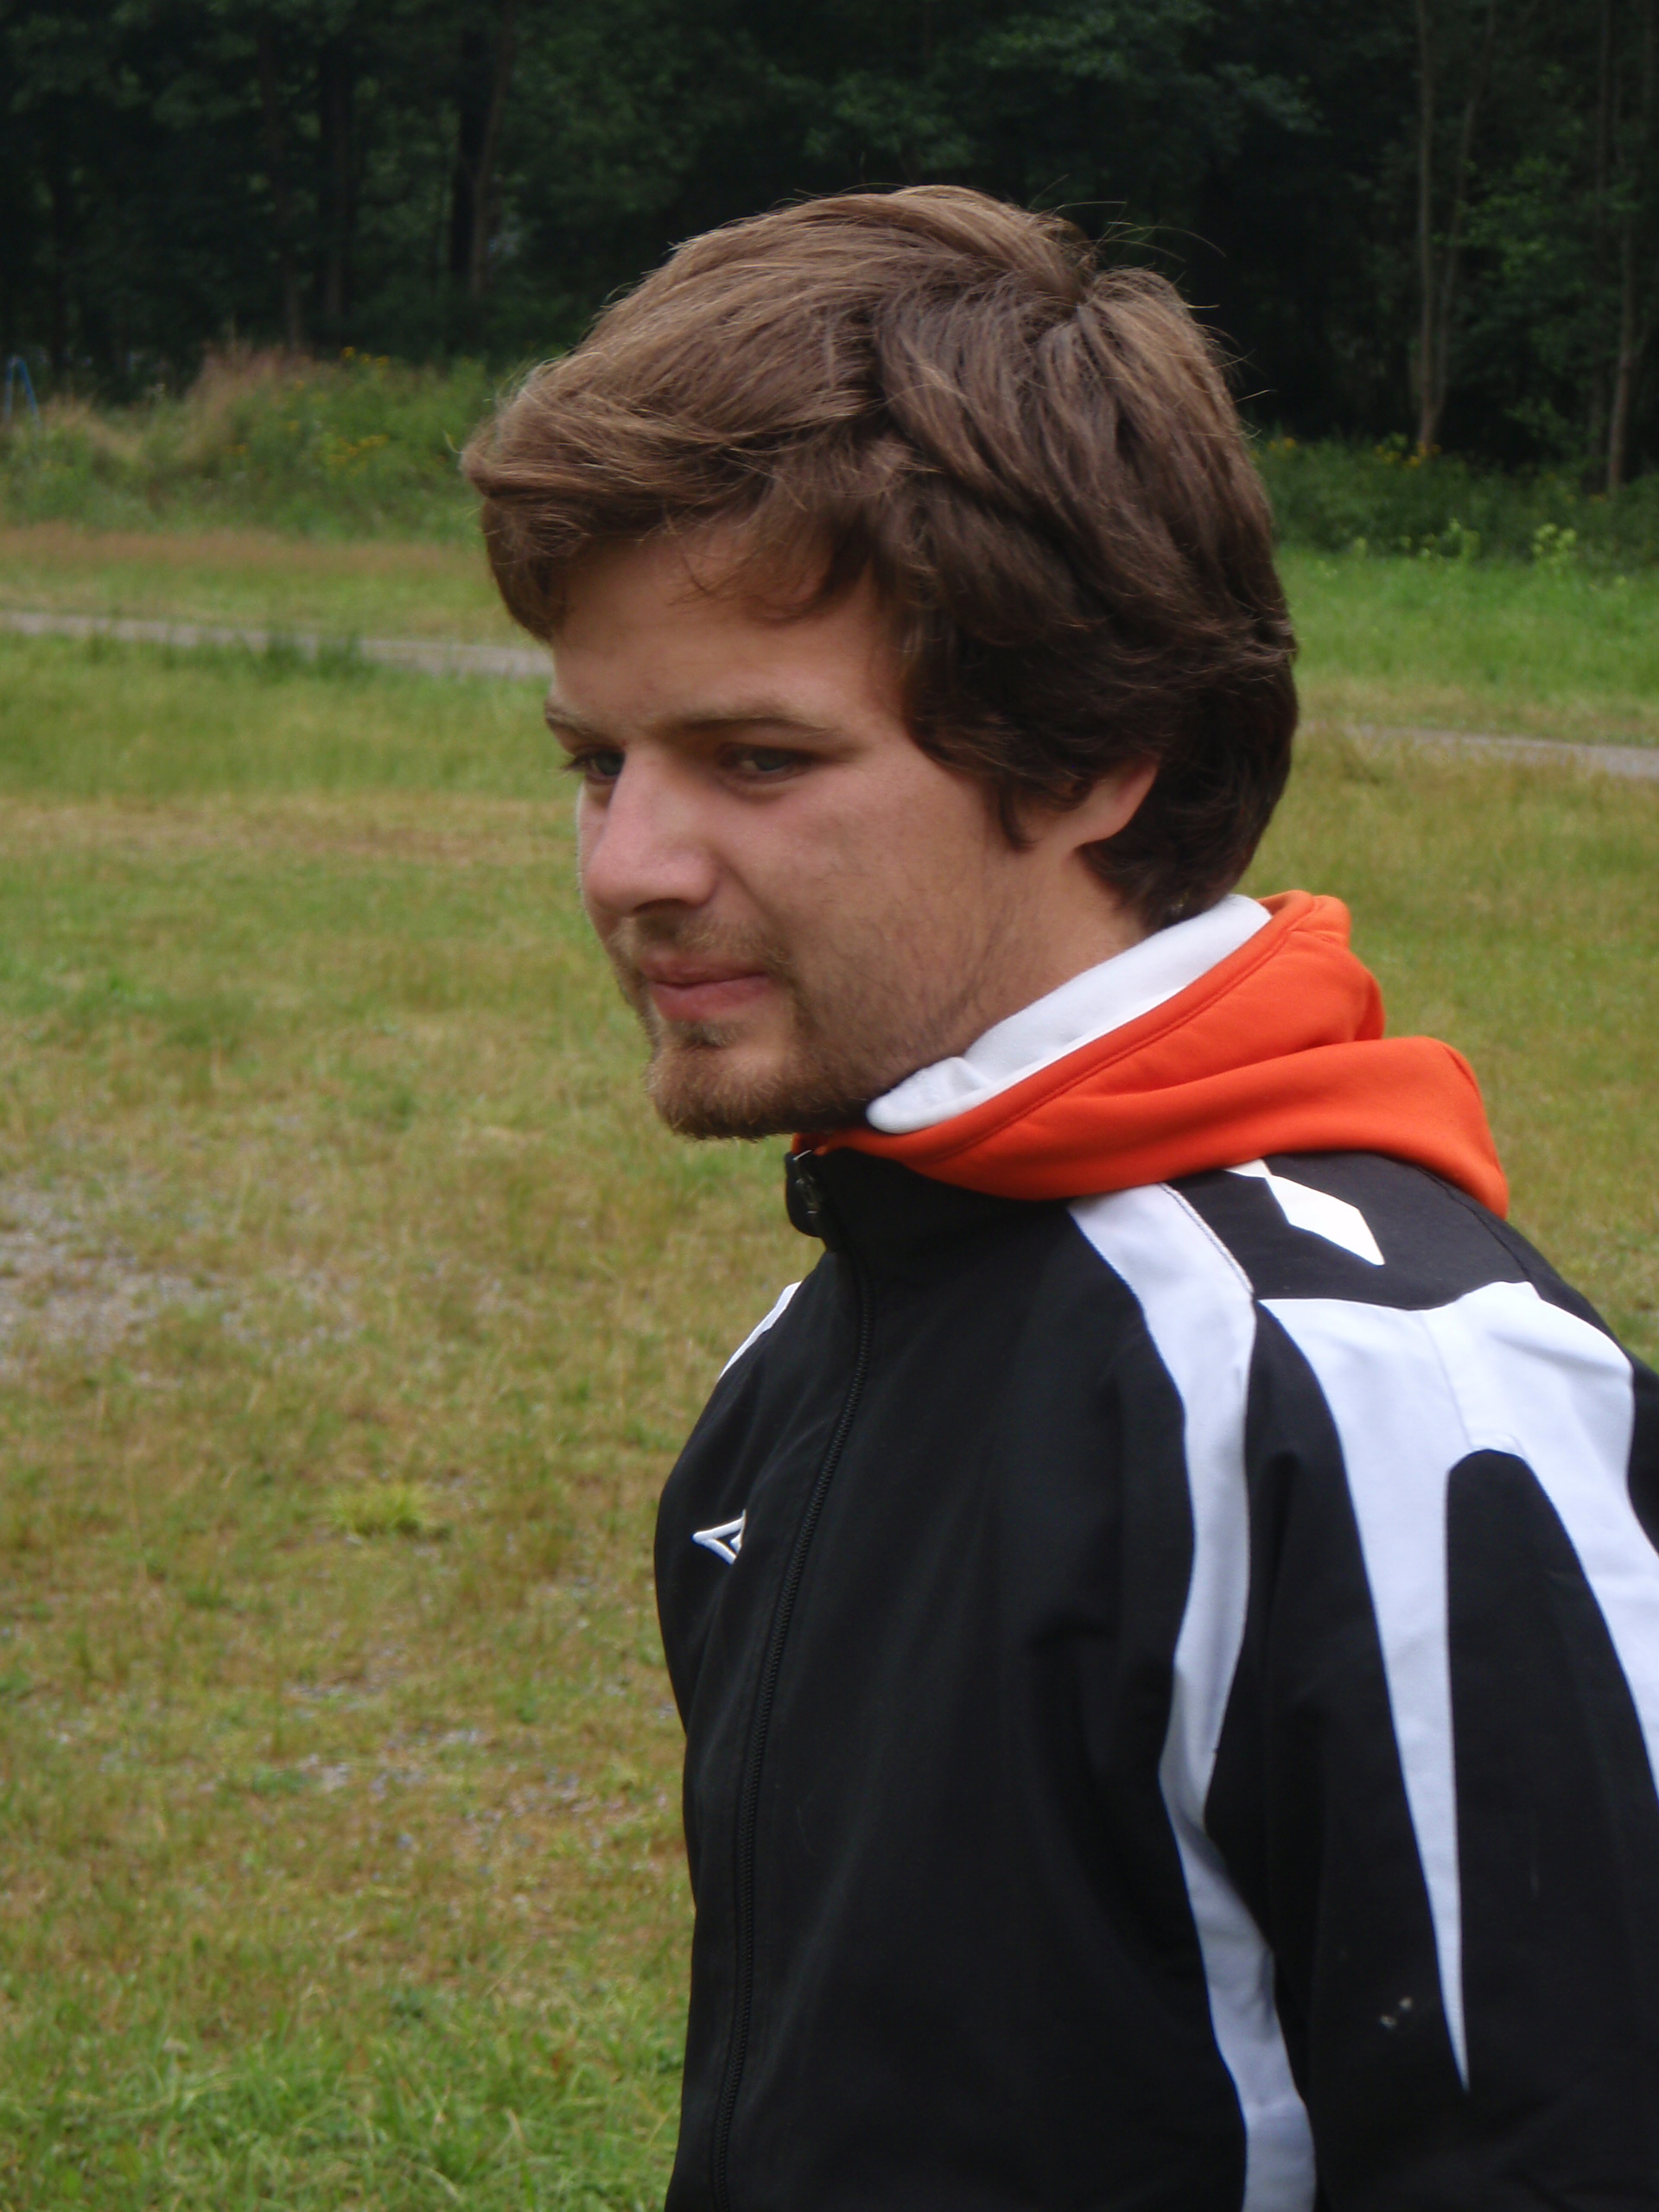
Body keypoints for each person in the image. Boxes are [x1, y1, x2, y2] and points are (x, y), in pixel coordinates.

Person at [464, 188, 1659, 2211]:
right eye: (599, 761)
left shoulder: (1382, 1400)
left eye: (755, 758)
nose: (626, 865)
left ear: (1104, 752)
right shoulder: (817, 1341)